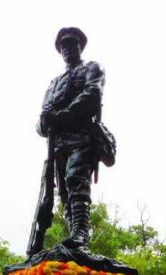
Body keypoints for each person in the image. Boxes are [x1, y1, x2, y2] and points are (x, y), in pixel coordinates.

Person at [33, 26, 105, 251]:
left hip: (80, 136)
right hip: (57, 144)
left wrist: (64, 115)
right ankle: (74, 234)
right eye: (63, 46)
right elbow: (41, 120)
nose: (67, 49)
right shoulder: (54, 83)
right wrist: (45, 122)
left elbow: (92, 94)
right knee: (63, 191)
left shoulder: (91, 68)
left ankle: (80, 233)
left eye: (71, 44)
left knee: (76, 180)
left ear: (79, 46)